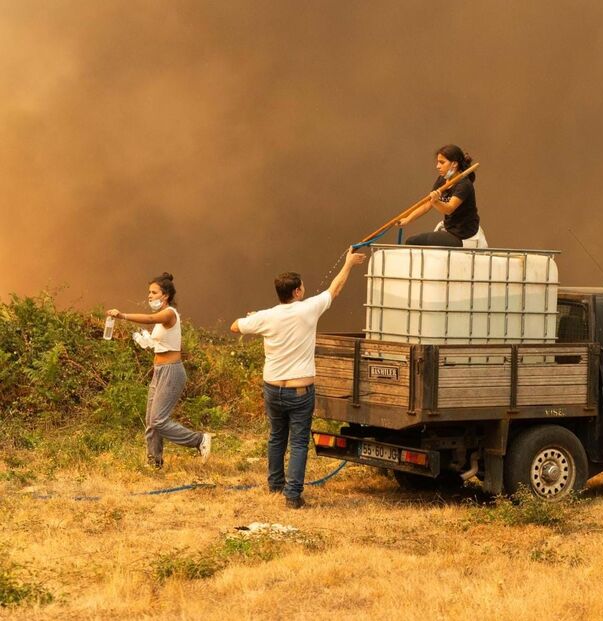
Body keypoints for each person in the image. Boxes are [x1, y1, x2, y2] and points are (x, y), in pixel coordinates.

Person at [231, 249, 367, 509]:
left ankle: (275, 485)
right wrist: (349, 263)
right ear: (296, 292)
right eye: (302, 286)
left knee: (276, 436)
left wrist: (254, 317)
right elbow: (334, 289)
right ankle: (292, 496)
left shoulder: (267, 316)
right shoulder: (308, 310)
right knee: (298, 441)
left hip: (272, 389)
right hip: (300, 391)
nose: (304, 289)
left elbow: (235, 326)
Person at [107, 273, 211, 469]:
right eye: (149, 292)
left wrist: (122, 315)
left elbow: (149, 318)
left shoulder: (169, 313)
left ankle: (199, 440)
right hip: (159, 369)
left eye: (154, 292)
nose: (149, 296)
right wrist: (147, 341)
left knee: (158, 420)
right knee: (150, 421)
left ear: (166, 295)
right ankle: (154, 461)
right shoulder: (162, 320)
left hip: (172, 371)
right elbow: (161, 341)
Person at [400, 144, 480, 247]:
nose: (438, 166)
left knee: (412, 241)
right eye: (438, 162)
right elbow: (427, 204)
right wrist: (407, 219)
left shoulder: (464, 184)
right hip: (450, 229)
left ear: (454, 164)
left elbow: (449, 209)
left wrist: (435, 201)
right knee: (413, 241)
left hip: (463, 234)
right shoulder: (442, 180)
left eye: (442, 162)